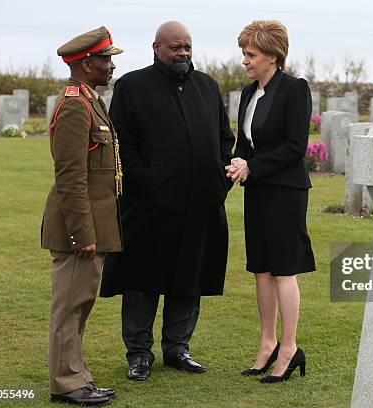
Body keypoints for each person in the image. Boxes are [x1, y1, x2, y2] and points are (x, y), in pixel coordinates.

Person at [100, 21, 235, 381]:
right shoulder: (132, 86)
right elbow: (122, 146)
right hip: (150, 208)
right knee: (143, 280)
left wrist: (219, 182)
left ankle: (178, 349)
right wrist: (149, 184)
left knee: (187, 282)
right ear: (156, 48)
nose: (183, 54)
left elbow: (225, 140)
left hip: (199, 207)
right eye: (176, 47)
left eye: (188, 47)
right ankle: (139, 354)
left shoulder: (207, 86)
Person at [225, 20, 315, 383]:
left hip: (286, 192)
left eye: (250, 54)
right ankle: (267, 344)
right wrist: (235, 162)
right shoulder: (249, 94)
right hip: (259, 190)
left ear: (273, 57)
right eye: (244, 53)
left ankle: (290, 347)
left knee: (282, 270)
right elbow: (247, 143)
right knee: (261, 269)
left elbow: (296, 146)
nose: (244, 61)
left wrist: (253, 165)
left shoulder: (295, 90)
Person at [41, 26, 123, 405]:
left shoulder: (89, 99)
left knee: (80, 305)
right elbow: (70, 177)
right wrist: (82, 234)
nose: (111, 66)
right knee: (69, 307)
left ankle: (76, 375)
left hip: (91, 225)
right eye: (106, 59)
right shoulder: (75, 104)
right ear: (88, 64)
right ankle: (66, 383)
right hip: (78, 229)